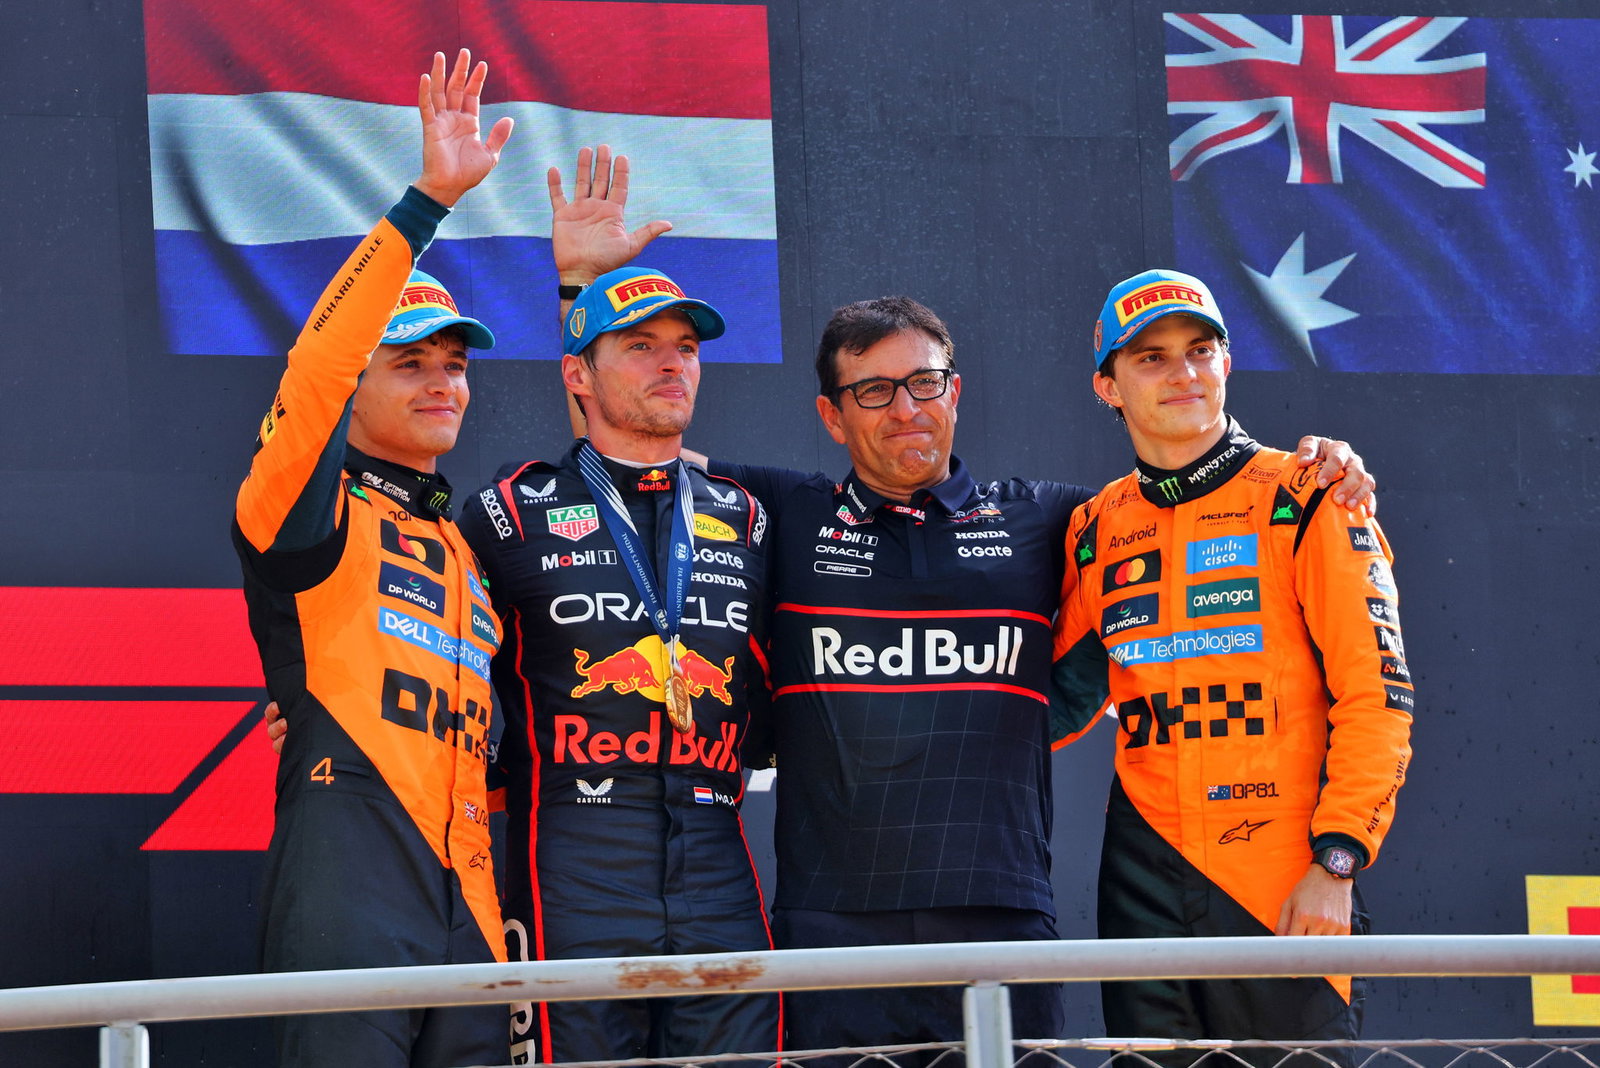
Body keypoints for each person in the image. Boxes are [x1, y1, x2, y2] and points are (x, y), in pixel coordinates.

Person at [545, 160, 1376, 1055]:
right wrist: (583, 289)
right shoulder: (779, 511)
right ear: (833, 416)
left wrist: (1313, 468)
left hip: (1001, 914)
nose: (906, 409)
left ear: (956, 390)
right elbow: (626, 445)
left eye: (925, 383)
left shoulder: (1060, 519)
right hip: (832, 923)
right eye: (873, 391)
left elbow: (1189, 504)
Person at [1049, 270, 1414, 1064]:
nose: (1183, 372)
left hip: (1282, 879)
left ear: (1227, 363)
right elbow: (1051, 701)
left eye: (1201, 350)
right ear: (1106, 386)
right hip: (1142, 879)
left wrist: (1338, 860)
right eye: (1150, 358)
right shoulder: (1094, 526)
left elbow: (1377, 696)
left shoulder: (1310, 493)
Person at [231, 50, 514, 1068]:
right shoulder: (308, 512)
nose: (442, 384)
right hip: (351, 871)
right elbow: (313, 374)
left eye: (453, 366)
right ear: (361, 384)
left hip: (474, 896)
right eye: (410, 365)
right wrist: (426, 204)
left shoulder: (467, 548)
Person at [455, 257, 779, 1063]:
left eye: (686, 347)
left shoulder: (744, 515)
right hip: (572, 857)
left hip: (718, 854)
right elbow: (433, 651)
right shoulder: (508, 513)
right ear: (579, 374)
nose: (674, 362)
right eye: (641, 346)